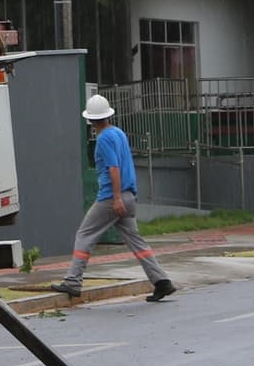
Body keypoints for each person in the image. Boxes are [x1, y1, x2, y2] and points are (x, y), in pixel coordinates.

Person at [55, 93, 174, 302]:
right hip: (129, 196)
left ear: (90, 120)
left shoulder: (103, 139)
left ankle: (73, 282)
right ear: (108, 115)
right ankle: (162, 281)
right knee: (136, 241)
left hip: (112, 197)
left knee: (85, 234)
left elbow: (113, 168)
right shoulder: (119, 133)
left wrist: (116, 198)